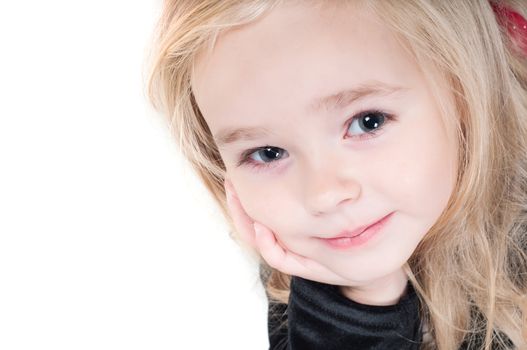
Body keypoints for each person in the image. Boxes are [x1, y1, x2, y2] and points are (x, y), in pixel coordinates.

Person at [146, 1, 527, 348]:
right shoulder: (311, 269)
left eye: (367, 122)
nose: (323, 194)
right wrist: (360, 302)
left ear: (461, 88)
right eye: (268, 153)